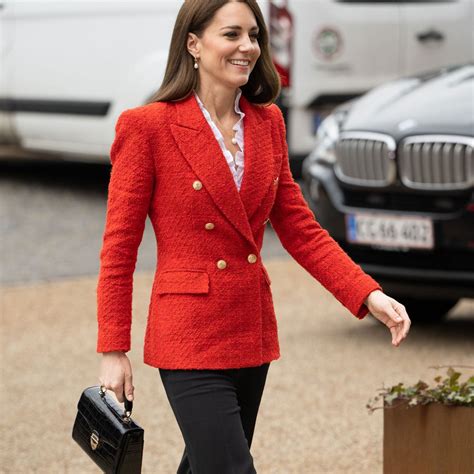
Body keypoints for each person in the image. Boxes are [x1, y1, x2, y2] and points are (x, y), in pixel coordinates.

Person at [97, 1, 411, 472]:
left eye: (254, 35)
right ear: (193, 44)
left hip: (249, 330)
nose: (247, 46)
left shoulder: (267, 123)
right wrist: (113, 350)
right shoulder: (148, 127)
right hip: (189, 335)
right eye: (232, 34)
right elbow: (118, 251)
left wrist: (367, 293)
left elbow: (301, 230)